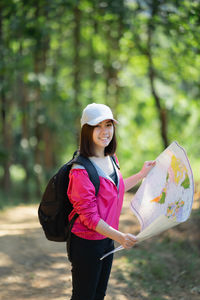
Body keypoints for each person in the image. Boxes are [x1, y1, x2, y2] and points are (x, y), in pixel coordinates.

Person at [67, 103, 156, 300]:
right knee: (84, 296)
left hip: (106, 238)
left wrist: (142, 174)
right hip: (87, 243)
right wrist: (120, 236)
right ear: (86, 130)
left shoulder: (111, 158)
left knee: (99, 294)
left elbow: (117, 188)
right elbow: (89, 217)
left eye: (108, 125)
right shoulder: (80, 170)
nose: (104, 131)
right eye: (97, 126)